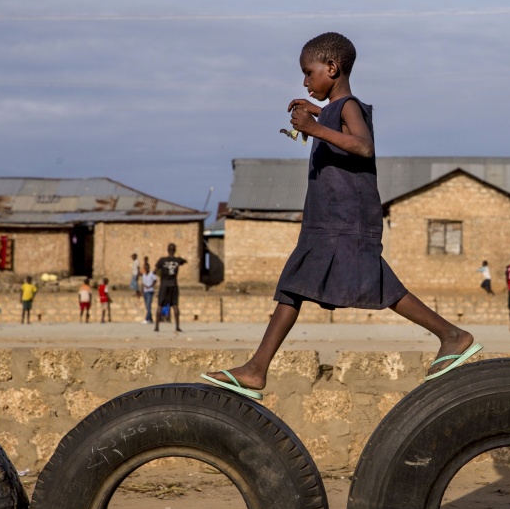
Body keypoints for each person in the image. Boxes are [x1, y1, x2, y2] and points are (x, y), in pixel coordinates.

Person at [203, 32, 479, 399]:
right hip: (327, 221)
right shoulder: (335, 109)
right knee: (293, 284)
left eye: (308, 72)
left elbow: (363, 146)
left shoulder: (350, 105)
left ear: (332, 68)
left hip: (348, 220)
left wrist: (315, 127)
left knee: (378, 285)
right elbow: (340, 128)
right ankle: (256, 369)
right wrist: (317, 113)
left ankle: (452, 335)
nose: (304, 81)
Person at [154, 244, 187, 332]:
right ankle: (177, 327)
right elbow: (184, 261)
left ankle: (157, 327)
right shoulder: (177, 260)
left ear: (167, 250)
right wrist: (179, 259)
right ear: (175, 250)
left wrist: (161, 274)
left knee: (160, 305)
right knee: (175, 306)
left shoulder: (162, 260)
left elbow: (155, 271)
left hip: (164, 284)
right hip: (173, 284)